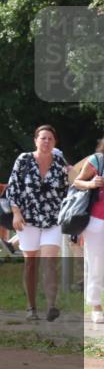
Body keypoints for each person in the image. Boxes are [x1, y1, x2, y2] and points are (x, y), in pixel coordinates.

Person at [4, 124, 69, 321]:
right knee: (30, 263)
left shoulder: (60, 162)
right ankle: (31, 307)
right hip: (28, 219)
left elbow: (68, 188)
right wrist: (15, 213)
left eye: (50, 138)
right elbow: (13, 188)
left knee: (49, 261)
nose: (46, 141)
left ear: (55, 143)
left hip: (53, 218)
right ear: (35, 140)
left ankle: (51, 306)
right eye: (43, 138)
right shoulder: (23, 160)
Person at [73, 136, 104, 324]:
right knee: (96, 265)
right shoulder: (97, 160)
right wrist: (92, 184)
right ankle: (96, 306)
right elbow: (77, 182)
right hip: (97, 221)